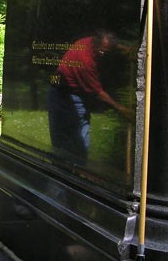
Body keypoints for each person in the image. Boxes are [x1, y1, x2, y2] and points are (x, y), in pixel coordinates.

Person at [47, 30, 132, 165]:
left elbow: (111, 45)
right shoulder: (85, 61)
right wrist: (121, 109)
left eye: (106, 52)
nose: (102, 54)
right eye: (101, 51)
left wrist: (126, 49)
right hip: (62, 96)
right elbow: (98, 93)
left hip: (69, 92)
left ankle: (76, 170)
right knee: (69, 143)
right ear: (95, 43)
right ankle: (67, 173)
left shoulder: (94, 41)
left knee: (78, 141)